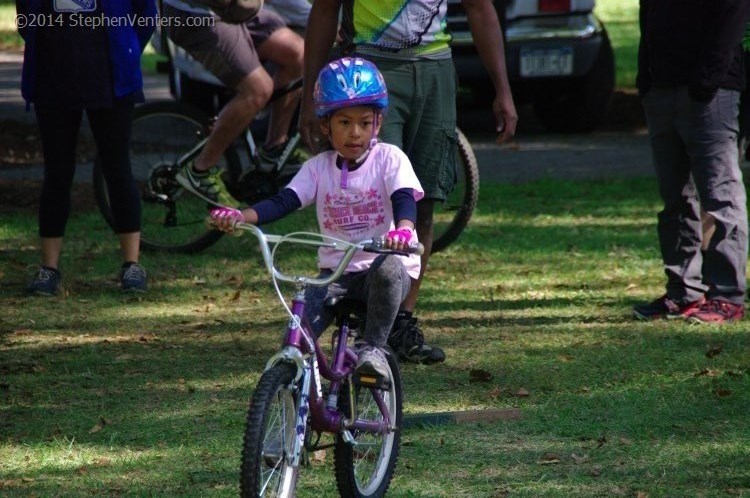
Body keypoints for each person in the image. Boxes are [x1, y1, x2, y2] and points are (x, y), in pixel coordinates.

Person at [299, 0, 517, 364]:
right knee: (376, 190)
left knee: (423, 202)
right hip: (371, 67)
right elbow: (324, 10)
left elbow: (480, 9)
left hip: (436, 69)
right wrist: (310, 98)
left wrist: (503, 89)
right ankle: (362, 312)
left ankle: (400, 321)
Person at [210, 57, 424, 383]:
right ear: (326, 125)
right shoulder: (317, 168)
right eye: (344, 123)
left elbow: (404, 198)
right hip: (334, 276)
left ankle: (372, 350)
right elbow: (285, 201)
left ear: (378, 124)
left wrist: (405, 231)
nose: (355, 133)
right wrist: (242, 216)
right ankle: (296, 398)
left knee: (391, 267)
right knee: (297, 334)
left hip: (379, 273)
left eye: (365, 124)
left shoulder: (389, 159)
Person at [17, 0, 156, 295]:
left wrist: (126, 51)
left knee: (118, 170)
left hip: (112, 81)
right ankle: (49, 269)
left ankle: (132, 266)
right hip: (52, 82)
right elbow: (26, 17)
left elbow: (146, 16)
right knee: (57, 174)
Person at [632, 0, 750, 323]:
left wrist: (708, 79)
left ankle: (726, 295)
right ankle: (684, 290)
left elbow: (733, 12)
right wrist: (646, 78)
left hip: (710, 91)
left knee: (720, 195)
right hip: (661, 88)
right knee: (675, 197)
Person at [161, 0, 304, 205]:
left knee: (298, 54)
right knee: (258, 90)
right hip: (197, 14)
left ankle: (274, 149)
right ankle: (200, 171)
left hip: (236, 10)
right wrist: (321, 19)